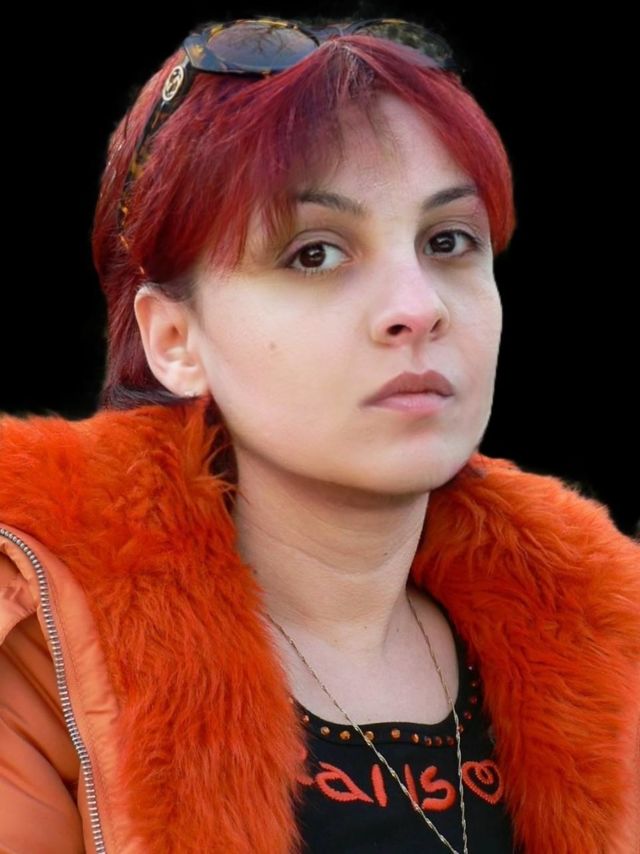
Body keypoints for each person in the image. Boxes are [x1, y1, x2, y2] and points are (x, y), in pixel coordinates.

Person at [1, 14, 638, 854]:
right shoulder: (34, 652)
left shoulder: (612, 645)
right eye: (315, 254)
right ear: (175, 341)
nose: (418, 308)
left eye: (449, 241)